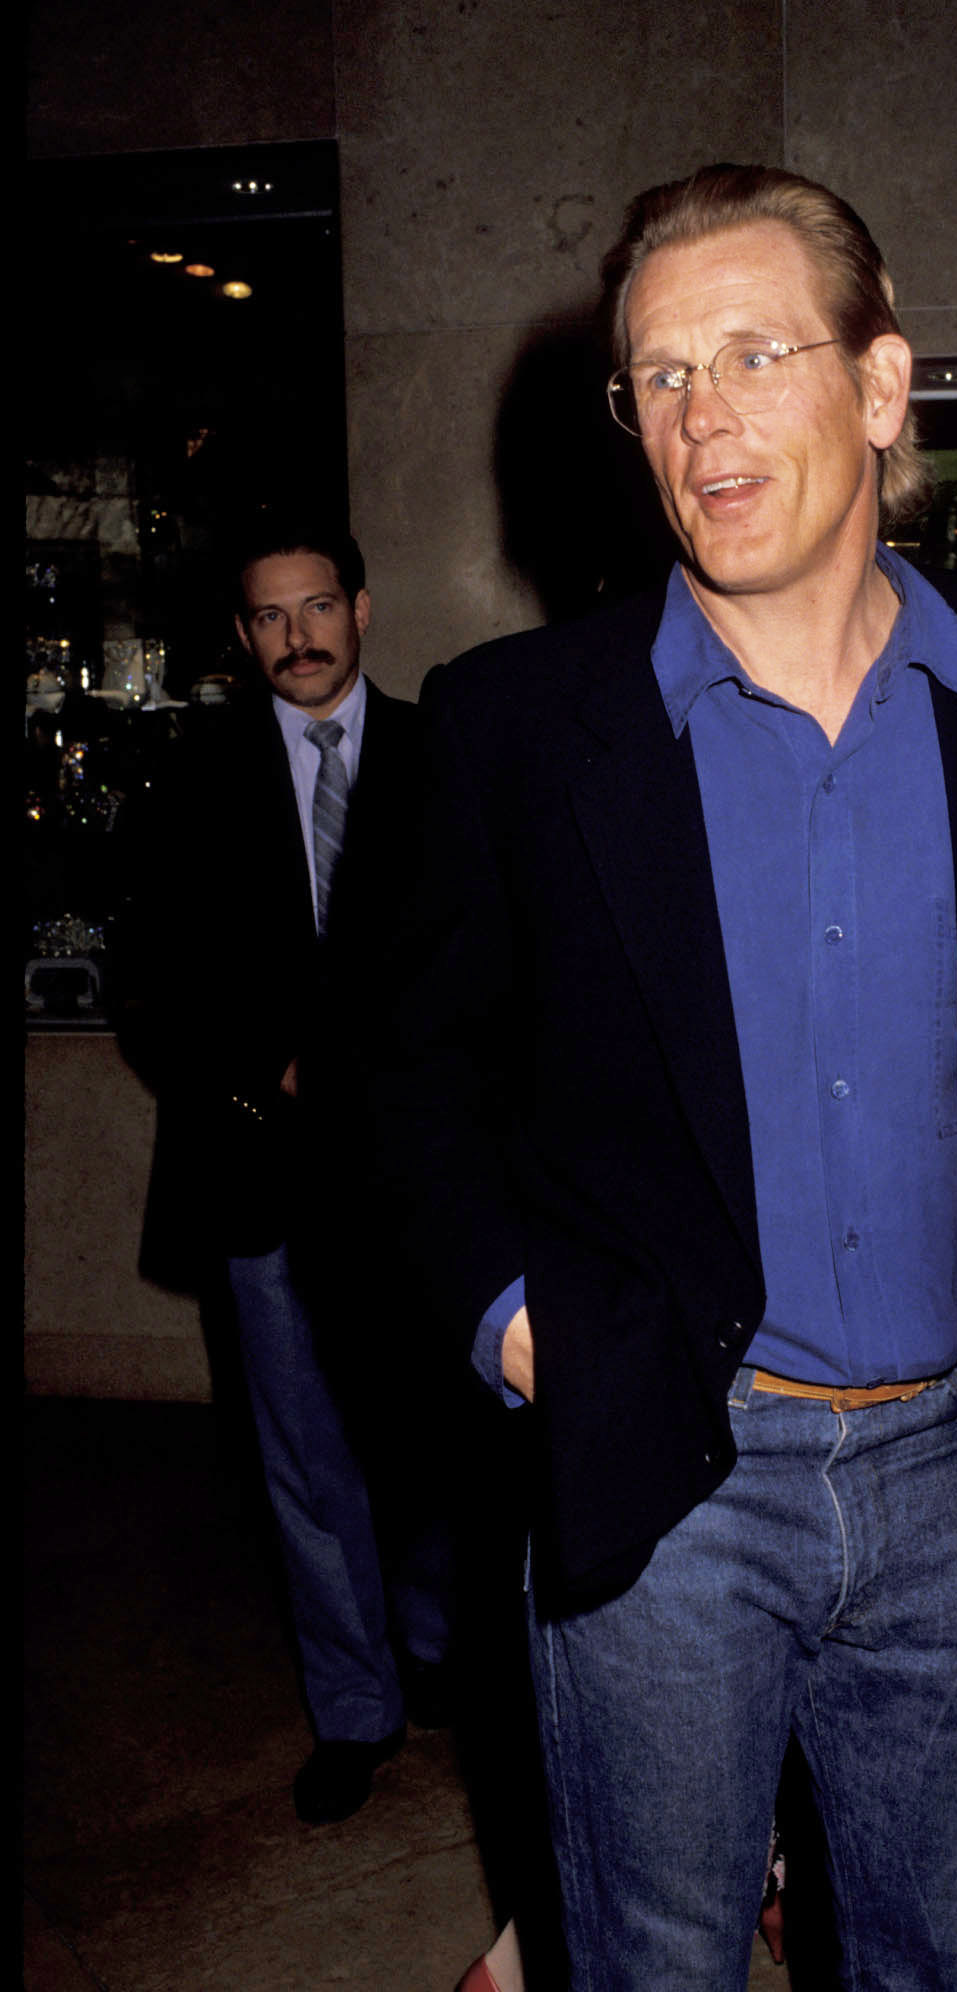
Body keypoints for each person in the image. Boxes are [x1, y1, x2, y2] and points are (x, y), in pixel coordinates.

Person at [370, 164, 957, 1990]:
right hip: (675, 1462)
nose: (699, 416)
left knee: (939, 1955)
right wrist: (518, 1324)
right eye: (657, 377)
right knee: (660, 1959)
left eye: (752, 354)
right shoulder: (512, 728)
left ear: (880, 390)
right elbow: (406, 1079)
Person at [117, 516, 452, 1825]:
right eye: (269, 617)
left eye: (317, 608)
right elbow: (151, 987)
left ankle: (437, 1652)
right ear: (242, 634)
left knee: (433, 1448)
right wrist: (271, 1071)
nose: (297, 638)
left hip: (421, 1184)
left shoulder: (442, 756)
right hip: (261, 1168)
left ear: (361, 610)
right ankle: (356, 1710)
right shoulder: (188, 777)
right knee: (306, 1463)